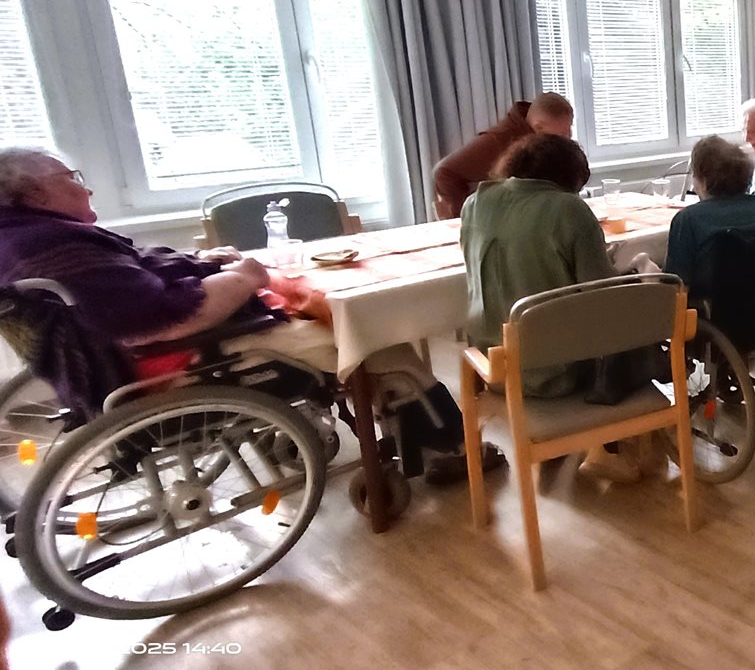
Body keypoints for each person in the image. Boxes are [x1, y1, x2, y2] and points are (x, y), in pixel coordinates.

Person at [0, 146, 493, 481]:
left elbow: (132, 281)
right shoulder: (55, 245)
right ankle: (449, 449)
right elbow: (162, 319)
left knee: (332, 309)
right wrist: (245, 277)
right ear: (36, 193)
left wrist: (199, 263)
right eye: (72, 179)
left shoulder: (23, 238)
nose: (85, 189)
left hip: (131, 355)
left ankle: (407, 430)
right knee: (377, 338)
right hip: (183, 353)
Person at [459, 133, 643, 483]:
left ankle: (572, 447)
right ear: (568, 179)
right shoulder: (569, 209)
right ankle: (607, 448)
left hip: (492, 366)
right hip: (557, 374)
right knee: (637, 323)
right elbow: (603, 296)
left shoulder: (475, 203)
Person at [665, 136, 755, 295]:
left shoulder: (688, 219)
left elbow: (677, 291)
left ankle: (643, 262)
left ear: (704, 180)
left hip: (713, 307)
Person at [433, 93, 574, 219]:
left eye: (570, 128)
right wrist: (464, 219)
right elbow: (444, 172)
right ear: (538, 127)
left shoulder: (543, 142)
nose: (569, 136)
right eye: (563, 132)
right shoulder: (498, 140)